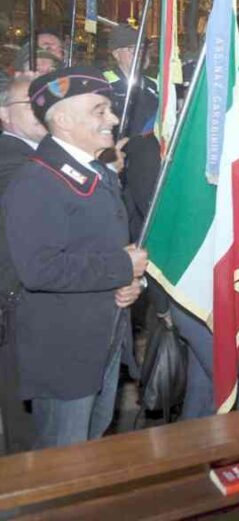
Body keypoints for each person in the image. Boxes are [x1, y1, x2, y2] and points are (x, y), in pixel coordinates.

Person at [4, 68, 148, 447]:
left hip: (102, 341)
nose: (113, 119)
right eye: (99, 111)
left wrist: (130, 282)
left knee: (88, 451)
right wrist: (120, 268)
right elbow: (39, 269)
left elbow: (112, 251)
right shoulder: (37, 180)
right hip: (64, 353)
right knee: (62, 462)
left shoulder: (98, 172)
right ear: (63, 120)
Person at [0, 74, 47, 452]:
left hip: (30, 299)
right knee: (22, 414)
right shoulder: (9, 155)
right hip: (15, 300)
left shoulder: (37, 154)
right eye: (27, 104)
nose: (39, 109)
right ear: (3, 113)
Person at [103, 24, 160, 137]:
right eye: (133, 49)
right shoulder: (104, 84)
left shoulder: (155, 85)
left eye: (144, 49)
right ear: (116, 54)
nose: (141, 54)